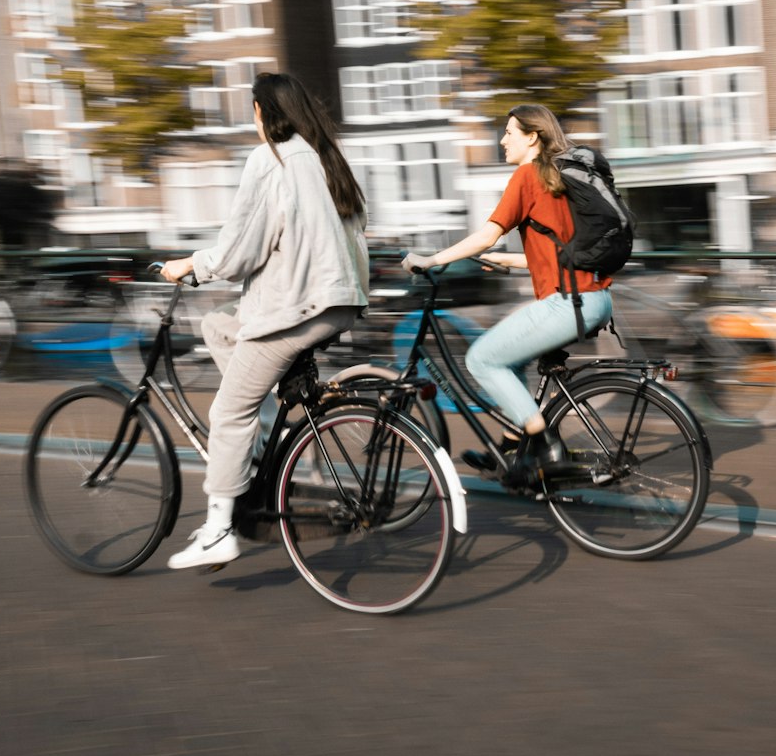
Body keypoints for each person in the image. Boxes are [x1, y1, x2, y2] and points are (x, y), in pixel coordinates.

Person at [160, 72, 369, 570]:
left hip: (295, 308)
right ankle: (270, 426)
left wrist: (191, 265)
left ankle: (218, 532)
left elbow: (239, 250)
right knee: (219, 325)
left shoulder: (271, 158)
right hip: (339, 303)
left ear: (262, 111)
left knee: (227, 414)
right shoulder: (326, 158)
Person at [402, 104, 613, 477]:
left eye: (510, 132)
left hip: (567, 304)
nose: (502, 140)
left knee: (481, 359)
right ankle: (512, 448)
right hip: (594, 298)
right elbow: (556, 255)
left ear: (532, 137)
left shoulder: (527, 176)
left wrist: (430, 259)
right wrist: (507, 262)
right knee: (509, 360)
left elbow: (486, 234)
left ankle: (547, 447)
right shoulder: (559, 181)